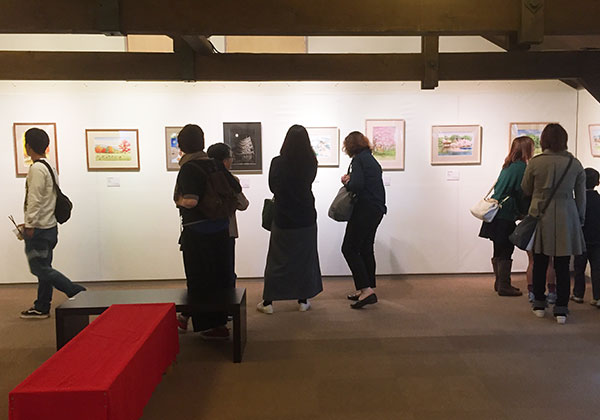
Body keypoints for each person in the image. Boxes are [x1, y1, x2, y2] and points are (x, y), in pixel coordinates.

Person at [173, 124, 242, 338]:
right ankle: (219, 324)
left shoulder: (188, 168)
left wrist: (178, 200)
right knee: (219, 278)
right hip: (221, 229)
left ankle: (207, 326)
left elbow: (191, 201)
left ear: (182, 147)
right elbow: (236, 189)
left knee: (199, 280)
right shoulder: (215, 164)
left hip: (197, 233)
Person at [521, 123, 586, 324]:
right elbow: (581, 196)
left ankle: (539, 303)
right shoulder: (574, 164)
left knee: (540, 261)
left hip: (541, 214)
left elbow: (526, 188)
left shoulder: (536, 162)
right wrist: (580, 219)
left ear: (544, 140)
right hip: (567, 215)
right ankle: (561, 308)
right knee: (563, 265)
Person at [19, 128, 86, 319]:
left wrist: (29, 224)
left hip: (39, 229)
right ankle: (41, 306)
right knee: (44, 267)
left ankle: (76, 291)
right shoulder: (49, 166)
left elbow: (35, 199)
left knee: (39, 268)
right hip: (50, 226)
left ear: (28, 146)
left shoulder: (36, 169)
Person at [257, 125, 322, 314]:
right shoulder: (311, 162)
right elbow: (307, 182)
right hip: (306, 216)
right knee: (304, 260)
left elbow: (272, 186)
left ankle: (268, 302)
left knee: (277, 260)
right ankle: (303, 300)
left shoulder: (277, 162)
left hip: (283, 215)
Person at [479, 136, 533, 297]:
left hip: (496, 212)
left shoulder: (507, 166)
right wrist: (525, 211)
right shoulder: (521, 168)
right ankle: (504, 285)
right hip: (506, 213)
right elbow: (522, 192)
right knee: (506, 250)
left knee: (498, 249)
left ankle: (499, 283)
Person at [341, 131, 387, 309]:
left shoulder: (359, 160)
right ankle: (366, 288)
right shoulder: (370, 159)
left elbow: (358, 185)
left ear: (350, 146)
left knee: (349, 248)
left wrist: (347, 181)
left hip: (364, 210)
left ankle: (366, 290)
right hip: (376, 209)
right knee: (366, 248)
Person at [207, 143, 249, 288]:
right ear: (225, 161)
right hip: (227, 230)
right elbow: (243, 204)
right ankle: (227, 299)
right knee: (226, 270)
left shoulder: (201, 178)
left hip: (203, 230)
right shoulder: (231, 179)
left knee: (207, 270)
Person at [571, 168, 600, 306]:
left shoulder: (577, 201)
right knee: (597, 269)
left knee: (579, 268)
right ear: (597, 182)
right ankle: (598, 297)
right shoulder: (599, 200)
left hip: (581, 239)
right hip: (597, 239)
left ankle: (578, 294)